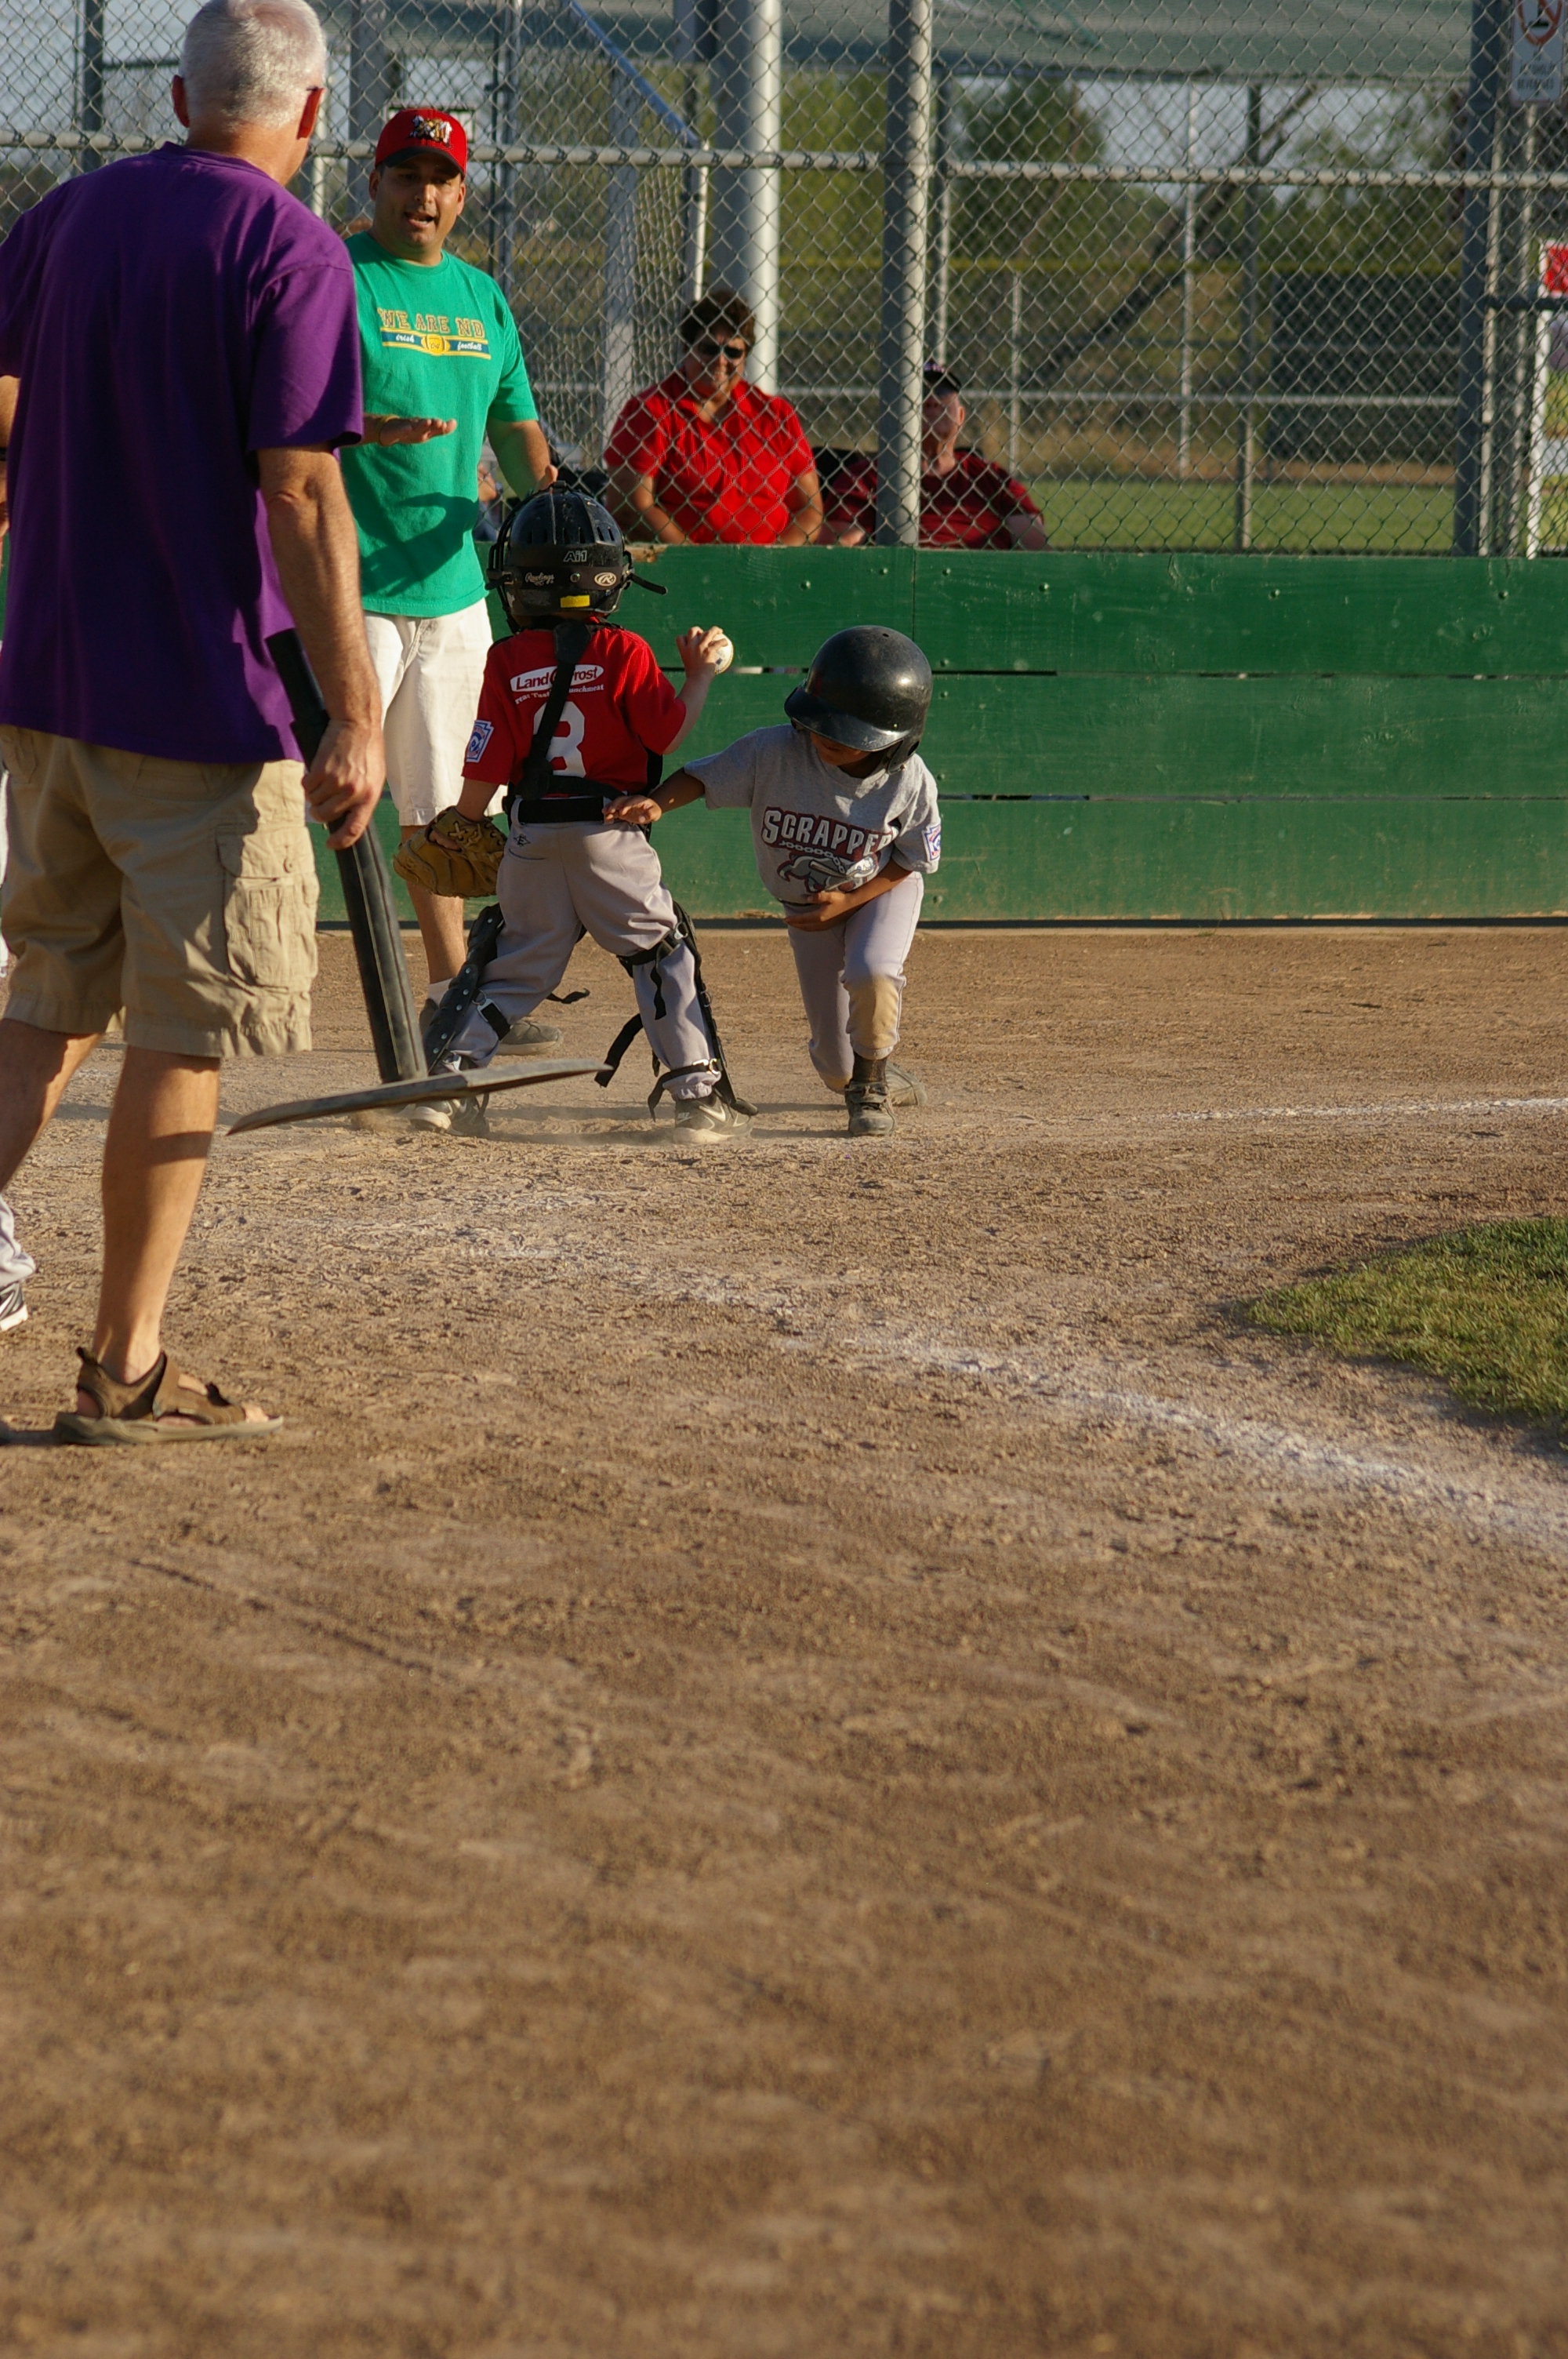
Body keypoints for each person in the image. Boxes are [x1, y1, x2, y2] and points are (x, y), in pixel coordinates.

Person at [0, 0, 381, 1441]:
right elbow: (302, 489)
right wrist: (355, 711)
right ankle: (125, 1365)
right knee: (185, 1027)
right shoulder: (289, 247)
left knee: (45, 1002)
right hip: (204, 709)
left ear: (177, 98)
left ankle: (127, 1358)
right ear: (314, 110)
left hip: (49, 688)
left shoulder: (69, 216)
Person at [410, 487, 742, 1142]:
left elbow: (483, 768)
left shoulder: (505, 660)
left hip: (531, 836)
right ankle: (697, 1097)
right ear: (611, 579)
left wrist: (461, 825)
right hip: (610, 831)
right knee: (658, 952)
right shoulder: (625, 652)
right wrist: (700, 676)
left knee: (514, 965)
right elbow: (668, 733)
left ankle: (448, 1085)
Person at [341, 106, 558, 1028]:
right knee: (332, 786)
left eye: (440, 180)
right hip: (348, 584)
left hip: (453, 587)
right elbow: (277, 411)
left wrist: (557, 497)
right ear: (375, 183)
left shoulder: (480, 299)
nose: (422, 195)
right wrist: (368, 427)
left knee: (442, 812)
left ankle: (448, 993)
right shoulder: (336, 277)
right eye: (406, 175)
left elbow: (515, 429)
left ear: (462, 195)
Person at [604, 627, 938, 1139]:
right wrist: (657, 803)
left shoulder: (908, 781)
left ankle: (870, 1085)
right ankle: (866, 1072)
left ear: (892, 739)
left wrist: (848, 901)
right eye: (821, 721)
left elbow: (912, 860)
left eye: (846, 733)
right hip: (807, 910)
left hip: (881, 889)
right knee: (835, 1067)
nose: (825, 737)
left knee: (872, 970)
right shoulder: (775, 751)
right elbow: (702, 776)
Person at [604, 287, 823, 547]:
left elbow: (810, 510)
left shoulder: (776, 415)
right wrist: (700, 563)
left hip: (767, 563)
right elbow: (631, 507)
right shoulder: (651, 411)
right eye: (708, 348)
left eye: (733, 352)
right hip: (683, 562)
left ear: (745, 356)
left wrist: (770, 560)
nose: (720, 361)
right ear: (686, 348)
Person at [823, 362, 1049, 550]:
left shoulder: (991, 477)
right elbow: (837, 549)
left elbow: (1037, 550)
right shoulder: (866, 477)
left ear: (961, 416)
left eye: (943, 393)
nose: (931, 400)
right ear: (895, 411)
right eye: (919, 393)